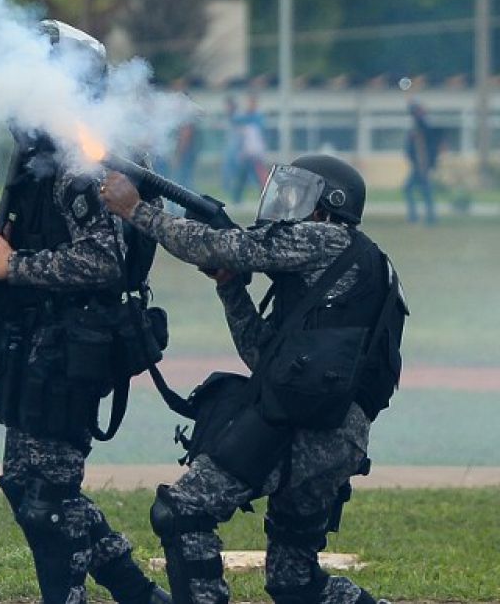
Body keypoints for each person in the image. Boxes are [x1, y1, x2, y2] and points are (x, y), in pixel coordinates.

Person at [100, 154, 404, 604]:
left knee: (182, 512)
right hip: (334, 434)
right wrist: (230, 287)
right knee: (294, 581)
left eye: (300, 195)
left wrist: (137, 211)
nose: (287, 205)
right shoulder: (348, 265)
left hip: (308, 430)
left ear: (327, 207)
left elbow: (218, 247)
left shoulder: (327, 240)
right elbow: (264, 356)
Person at [0, 19, 169, 604]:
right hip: (38, 341)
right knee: (26, 485)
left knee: (48, 500)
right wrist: (7, 243)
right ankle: (138, 594)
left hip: (73, 346)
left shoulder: (83, 163)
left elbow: (104, 261)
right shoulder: (44, 154)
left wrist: (16, 267)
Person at [403, 101, 438, 225]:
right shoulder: (417, 125)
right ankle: (429, 217)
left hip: (422, 165)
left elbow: (427, 147)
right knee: (422, 191)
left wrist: (428, 164)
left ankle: (427, 218)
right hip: (418, 164)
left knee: (420, 190)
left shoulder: (424, 126)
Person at [230, 94, 267, 204]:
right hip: (246, 154)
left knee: (259, 178)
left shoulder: (258, 118)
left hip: (255, 154)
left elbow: (258, 139)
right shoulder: (243, 117)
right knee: (242, 177)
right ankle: (236, 199)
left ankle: (263, 198)